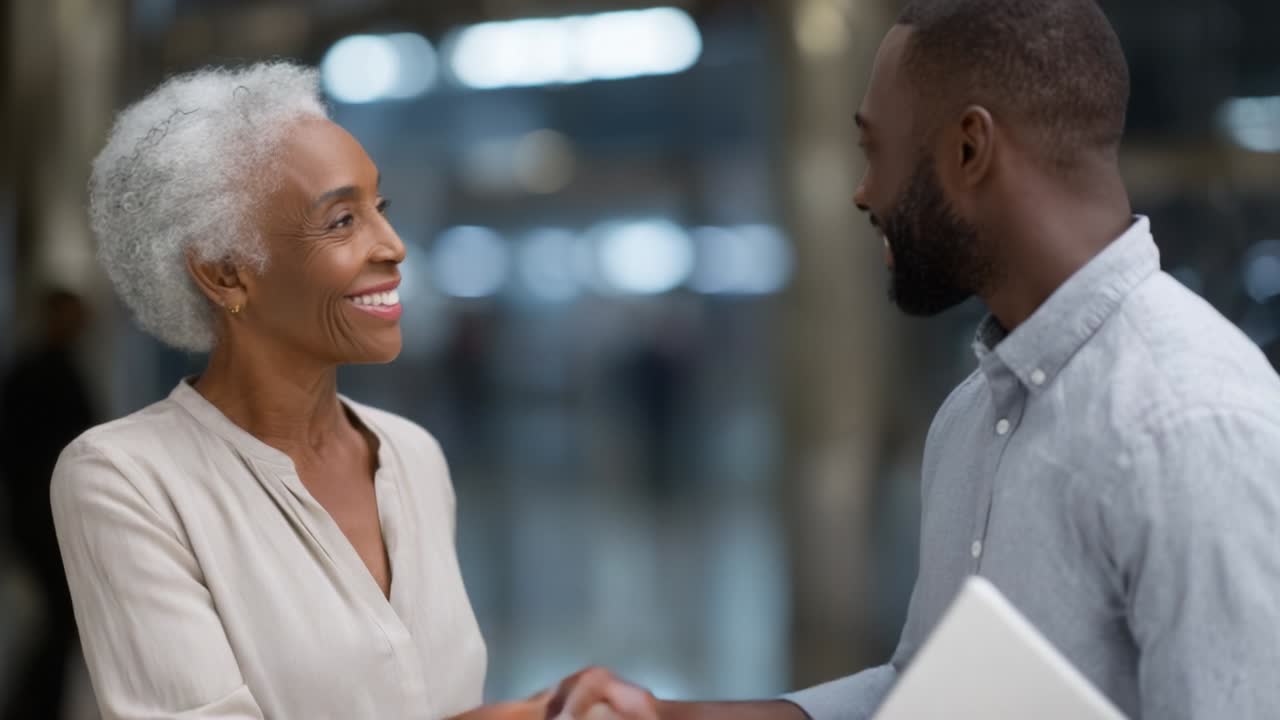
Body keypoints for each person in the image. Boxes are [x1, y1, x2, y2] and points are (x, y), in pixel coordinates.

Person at [545, 1, 1280, 718]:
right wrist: (673, 718)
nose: (864, 193)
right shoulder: (974, 417)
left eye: (875, 149)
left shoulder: (1192, 426)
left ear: (969, 149)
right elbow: (923, 691)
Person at [51, 62, 565, 720]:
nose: (394, 246)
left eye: (381, 209)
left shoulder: (412, 456)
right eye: (342, 221)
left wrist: (550, 711)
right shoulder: (125, 479)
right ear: (225, 273)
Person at [0, 289, 97, 720]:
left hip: (46, 512)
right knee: (63, 615)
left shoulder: (62, 371)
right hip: (41, 515)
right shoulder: (36, 373)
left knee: (63, 617)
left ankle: (37, 703)